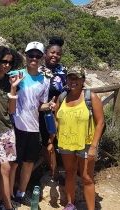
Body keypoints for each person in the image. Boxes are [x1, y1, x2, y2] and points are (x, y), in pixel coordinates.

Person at [54, 67, 104, 210]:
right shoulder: (62, 97)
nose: (73, 81)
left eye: (76, 78)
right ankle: (71, 205)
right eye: (70, 78)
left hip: (86, 144)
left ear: (83, 80)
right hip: (66, 143)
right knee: (69, 173)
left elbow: (100, 122)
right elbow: (56, 117)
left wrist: (94, 146)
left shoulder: (91, 97)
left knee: (86, 177)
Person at [12, 41, 54, 206]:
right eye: (31, 55)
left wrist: (49, 105)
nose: (34, 58)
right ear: (25, 55)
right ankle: (8, 193)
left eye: (37, 55)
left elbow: (40, 105)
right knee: (14, 163)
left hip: (33, 127)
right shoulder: (17, 74)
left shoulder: (45, 80)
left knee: (28, 163)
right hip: (16, 126)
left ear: (42, 57)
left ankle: (20, 193)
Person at [0, 46, 24, 210]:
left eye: (10, 62)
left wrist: (13, 87)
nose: (7, 65)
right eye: (4, 61)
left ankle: (1, 202)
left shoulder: (9, 81)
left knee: (5, 167)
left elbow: (11, 109)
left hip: (6, 130)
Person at [39, 37, 67, 180]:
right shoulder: (38, 70)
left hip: (61, 112)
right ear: (45, 53)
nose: (55, 56)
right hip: (43, 113)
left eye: (58, 54)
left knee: (59, 142)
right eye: (52, 52)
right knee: (47, 142)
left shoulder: (63, 70)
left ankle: (60, 171)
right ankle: (51, 172)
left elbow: (69, 90)